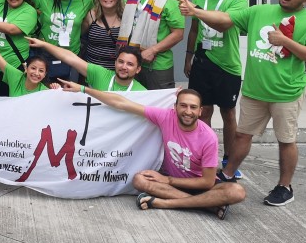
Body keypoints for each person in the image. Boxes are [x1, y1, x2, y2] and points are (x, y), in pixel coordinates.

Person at [178, 0, 306, 206]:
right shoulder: (259, 11)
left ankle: (284, 186)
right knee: (242, 135)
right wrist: (196, 11)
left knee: (286, 140)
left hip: (286, 93)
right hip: (255, 90)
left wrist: (285, 41)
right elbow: (225, 19)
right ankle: (227, 175)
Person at [58, 84, 245, 219]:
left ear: (200, 111)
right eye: (183, 105)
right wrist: (83, 89)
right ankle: (209, 205)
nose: (187, 111)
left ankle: (166, 203)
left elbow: (207, 181)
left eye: (193, 107)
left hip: (196, 185)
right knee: (139, 179)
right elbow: (122, 103)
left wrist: (168, 180)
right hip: (173, 185)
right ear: (175, 107)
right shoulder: (166, 117)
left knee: (236, 191)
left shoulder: (208, 136)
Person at [183, 0, 249, 178]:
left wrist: (195, 11)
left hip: (228, 65)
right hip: (203, 62)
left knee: (228, 112)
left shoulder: (238, 0)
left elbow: (225, 22)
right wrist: (188, 57)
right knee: (204, 111)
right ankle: (205, 156)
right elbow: (194, 29)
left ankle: (230, 159)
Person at [28, 37, 147, 91]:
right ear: (115, 63)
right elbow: (70, 57)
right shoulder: (100, 74)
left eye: (130, 64)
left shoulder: (143, 93)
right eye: (121, 62)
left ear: (138, 69)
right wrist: (44, 45)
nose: (124, 67)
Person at [82, 0, 125, 71]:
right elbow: (81, 34)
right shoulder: (92, 15)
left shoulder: (125, 16)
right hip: (92, 69)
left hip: (117, 70)